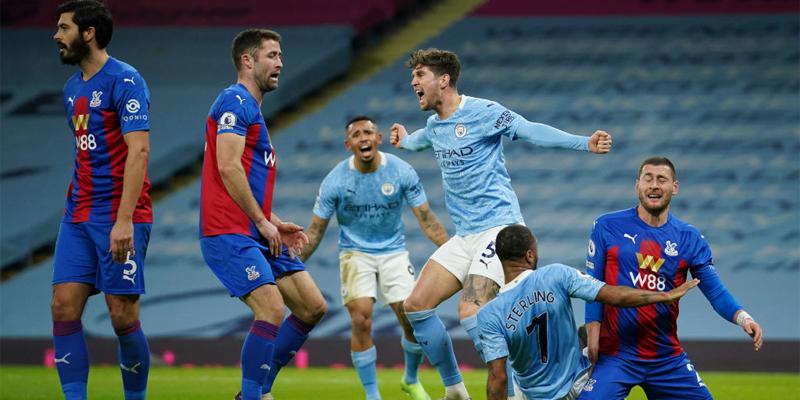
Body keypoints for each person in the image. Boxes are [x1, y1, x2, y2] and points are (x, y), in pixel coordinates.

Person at [389, 48, 613, 399]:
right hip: (465, 236)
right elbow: (419, 140)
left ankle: (512, 391)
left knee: (470, 309)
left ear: (443, 79)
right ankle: (455, 389)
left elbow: (529, 130)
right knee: (415, 305)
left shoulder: (483, 112)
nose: (413, 82)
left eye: (419, 75)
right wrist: (403, 140)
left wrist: (583, 143)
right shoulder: (434, 126)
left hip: (499, 229)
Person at [199, 29, 327, 400]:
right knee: (271, 308)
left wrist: (273, 219)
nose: (280, 63)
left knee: (311, 306)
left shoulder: (252, 111)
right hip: (228, 232)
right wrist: (261, 220)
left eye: (281, 55)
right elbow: (227, 167)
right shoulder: (233, 101)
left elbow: (245, 181)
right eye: (272, 55)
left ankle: (257, 391)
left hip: (255, 230)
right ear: (247, 60)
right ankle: (252, 396)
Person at [580, 156, 764, 399]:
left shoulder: (689, 238)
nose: (654, 185)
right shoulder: (606, 226)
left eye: (662, 179)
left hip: (665, 358)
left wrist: (743, 318)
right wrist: (593, 334)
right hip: (616, 354)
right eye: (648, 179)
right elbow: (592, 284)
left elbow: (715, 291)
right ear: (637, 185)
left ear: (674, 187)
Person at [301, 116, 450, 400]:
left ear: (378, 139)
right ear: (349, 145)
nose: (363, 137)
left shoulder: (401, 171)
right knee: (361, 318)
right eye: (356, 135)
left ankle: (410, 379)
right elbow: (315, 231)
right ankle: (372, 395)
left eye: (368, 132)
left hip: (393, 250)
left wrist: (456, 252)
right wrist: (289, 266)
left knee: (410, 316)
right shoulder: (335, 181)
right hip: (356, 253)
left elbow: (427, 219)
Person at [51, 1, 153, 399]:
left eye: (64, 28)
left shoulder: (125, 80)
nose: (57, 36)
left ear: (88, 32)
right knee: (62, 306)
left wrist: (124, 220)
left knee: (121, 315)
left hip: (119, 215)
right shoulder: (71, 88)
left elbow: (139, 152)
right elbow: (86, 152)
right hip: (77, 214)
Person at [478, 225, 700, 400]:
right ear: (529, 255)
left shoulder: (489, 315)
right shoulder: (555, 274)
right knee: (611, 331)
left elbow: (497, 378)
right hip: (578, 387)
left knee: (585, 333)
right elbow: (615, 296)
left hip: (534, 395)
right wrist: (665, 296)